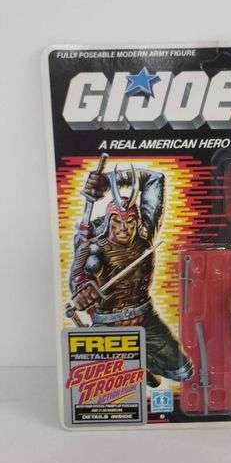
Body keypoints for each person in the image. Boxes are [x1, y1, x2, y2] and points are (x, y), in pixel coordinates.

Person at [69, 165, 193, 386]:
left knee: (183, 372)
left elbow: (154, 178)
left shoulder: (145, 235)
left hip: (145, 316)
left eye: (130, 222)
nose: (124, 229)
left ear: (137, 221)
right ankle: (131, 361)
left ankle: (138, 359)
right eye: (117, 221)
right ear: (108, 222)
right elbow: (78, 278)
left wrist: (109, 180)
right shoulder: (94, 245)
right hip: (108, 322)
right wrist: (83, 292)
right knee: (97, 373)